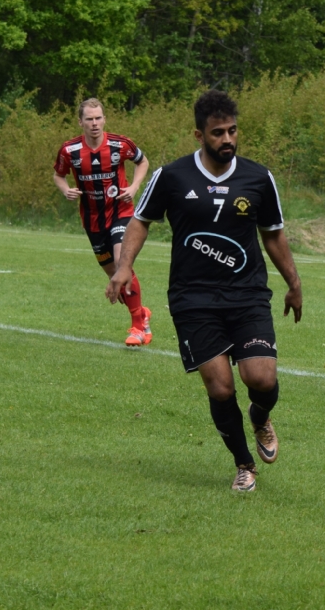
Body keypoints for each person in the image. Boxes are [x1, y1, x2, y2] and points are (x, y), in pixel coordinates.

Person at [106, 90, 303, 492]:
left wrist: (294, 284)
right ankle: (244, 464)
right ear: (199, 135)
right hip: (192, 298)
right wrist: (124, 266)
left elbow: (273, 234)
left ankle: (260, 416)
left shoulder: (258, 178)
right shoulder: (171, 176)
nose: (227, 139)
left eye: (232, 131)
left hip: (247, 293)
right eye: (217, 133)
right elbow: (141, 220)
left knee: (261, 379)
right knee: (220, 385)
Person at [54, 97, 152, 346]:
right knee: (113, 274)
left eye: (98, 118)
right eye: (89, 119)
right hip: (92, 220)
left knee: (121, 263)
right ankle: (142, 314)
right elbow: (58, 175)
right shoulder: (69, 150)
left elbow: (142, 161)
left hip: (121, 211)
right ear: (81, 122)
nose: (94, 123)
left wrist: (134, 186)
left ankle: (138, 327)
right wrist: (66, 190)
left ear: (104, 119)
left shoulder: (120, 144)